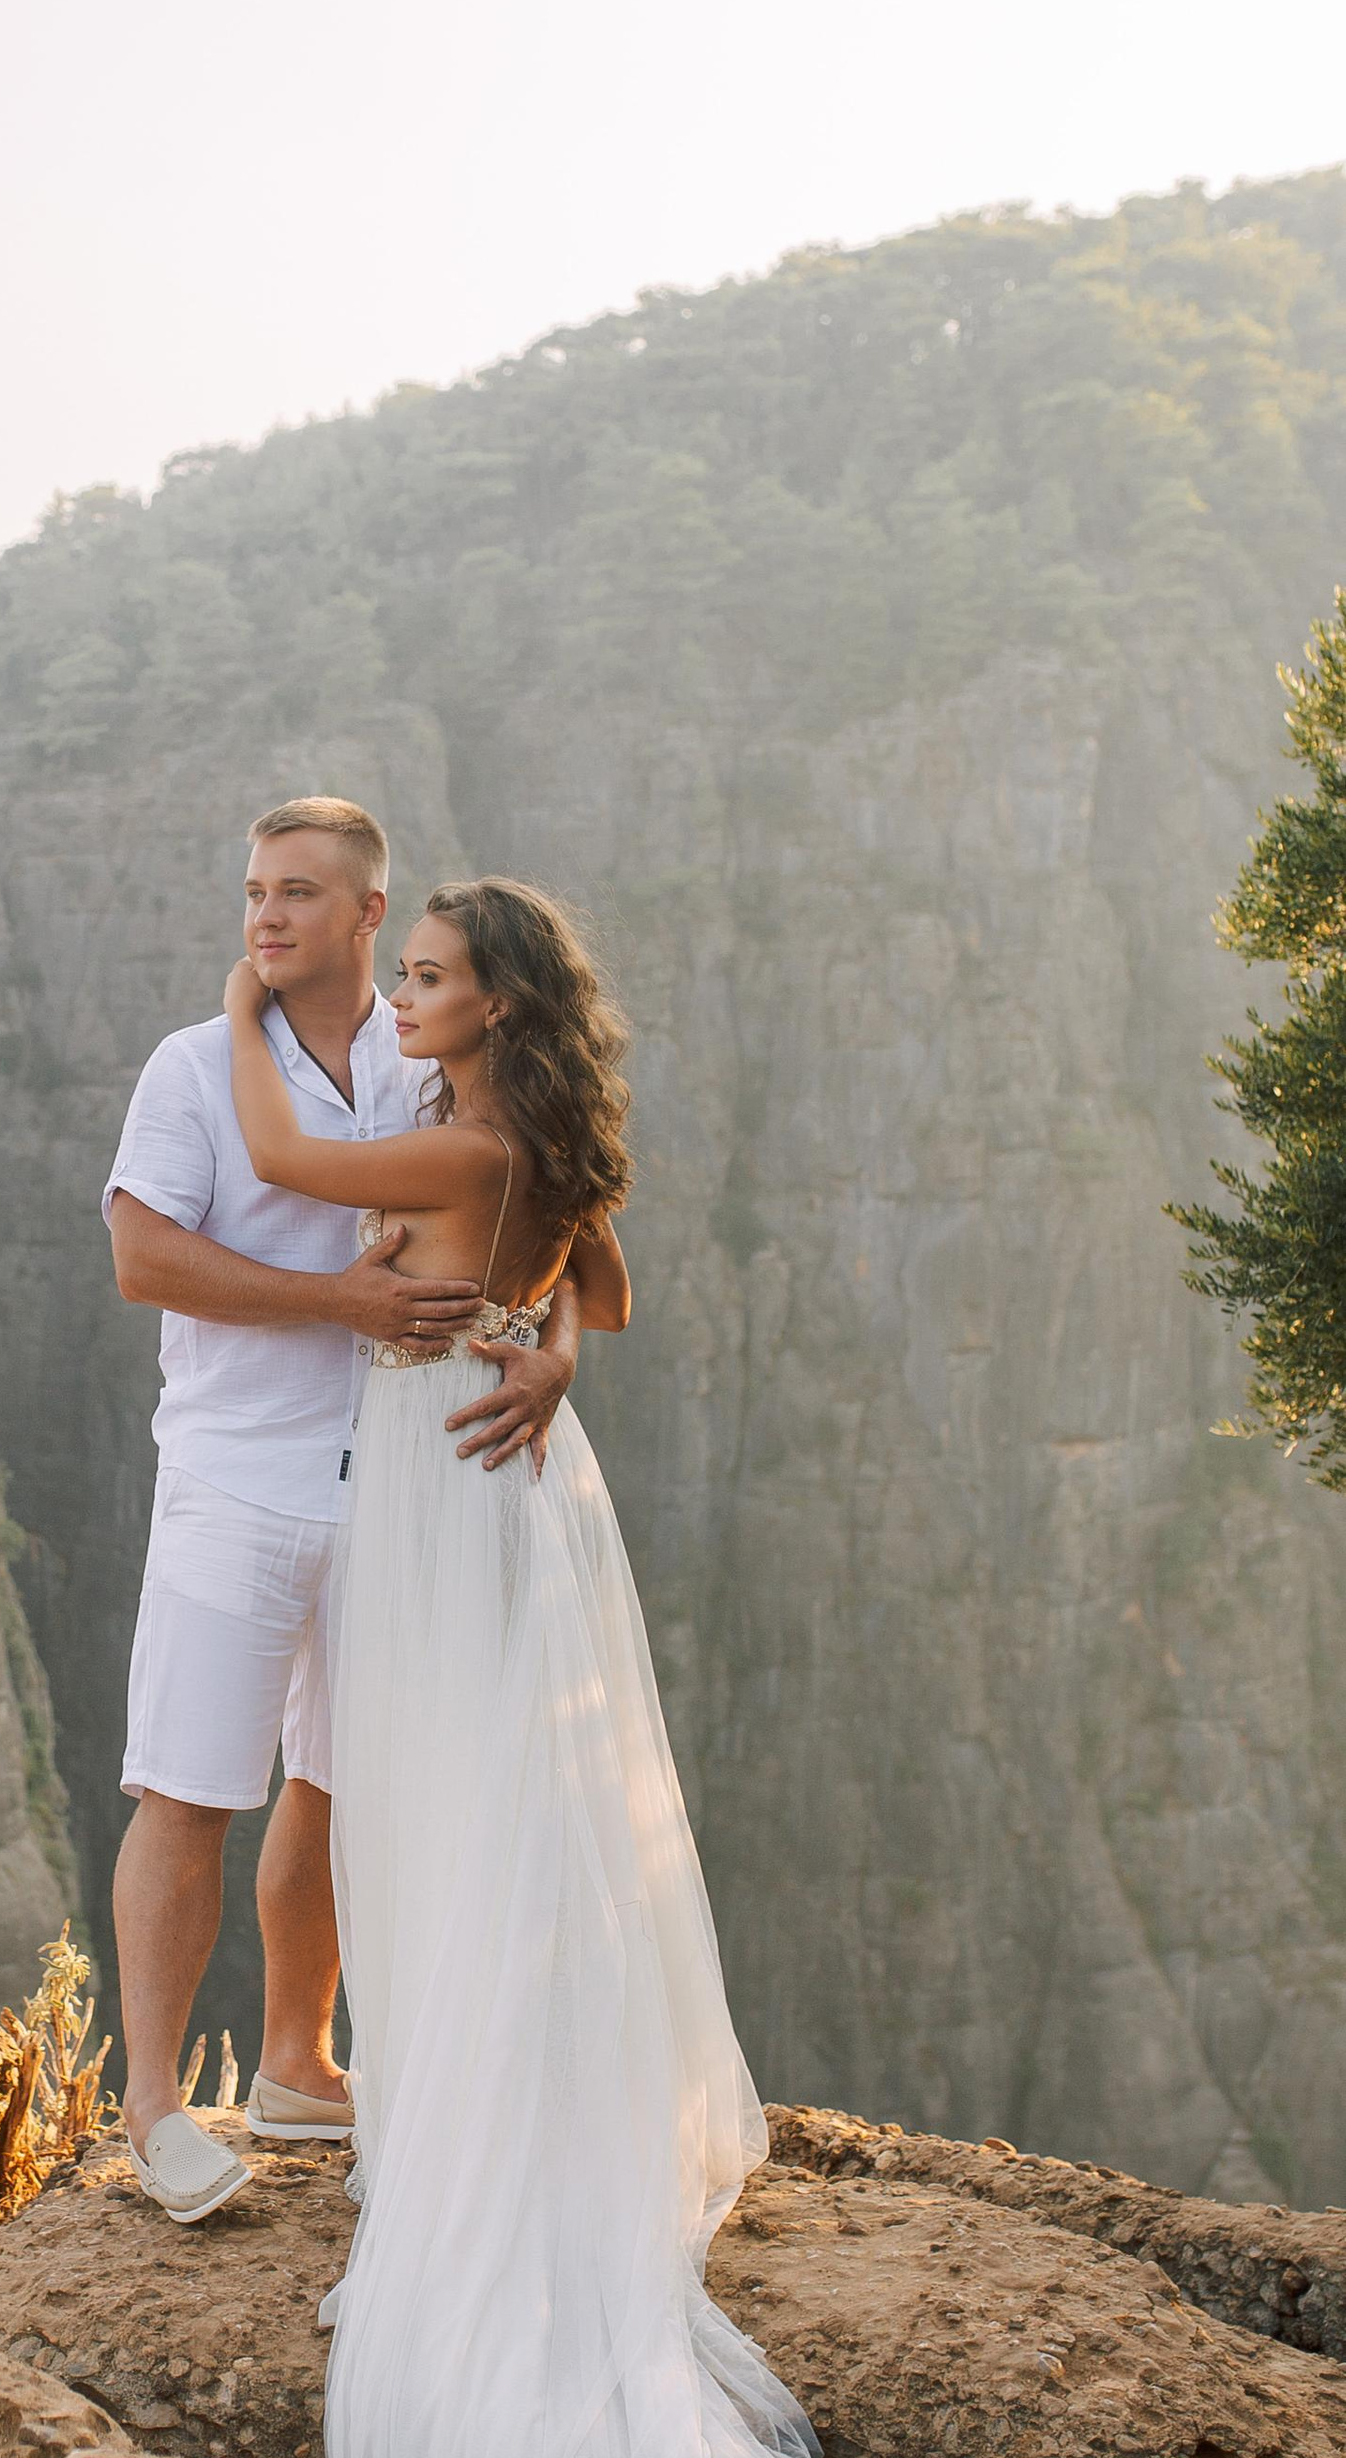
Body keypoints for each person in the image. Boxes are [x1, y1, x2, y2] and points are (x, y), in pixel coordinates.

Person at [222, 877, 817, 2457]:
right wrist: (542, 1335)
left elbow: (282, 1159)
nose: (403, 999)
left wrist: (243, 1011)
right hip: (514, 1474)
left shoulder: (470, 1147)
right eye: (400, 974)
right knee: (504, 1798)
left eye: (425, 980)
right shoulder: (539, 1146)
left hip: (440, 1474)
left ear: (496, 1003)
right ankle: (514, 2109)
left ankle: (475, 2142)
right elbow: (606, 1289)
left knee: (446, 1805)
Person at [102, 797, 612, 2224]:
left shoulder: (427, 1064)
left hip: (400, 1482)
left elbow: (548, 1217)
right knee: (191, 1785)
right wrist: (341, 1299)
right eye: (254, 890)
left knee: (335, 1780)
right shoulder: (198, 1068)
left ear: (369, 916)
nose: (266, 917)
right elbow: (144, 1257)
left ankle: (296, 2064)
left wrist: (554, 1353)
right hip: (236, 1478)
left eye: (300, 893)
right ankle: (151, 2107)